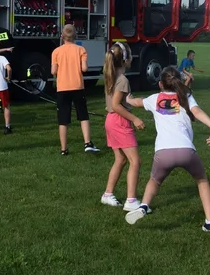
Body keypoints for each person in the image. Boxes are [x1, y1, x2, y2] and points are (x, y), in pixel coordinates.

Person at [124, 66, 210, 231]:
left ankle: (144, 206)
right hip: (186, 151)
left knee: (154, 180)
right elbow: (197, 112)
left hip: (163, 152)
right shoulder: (186, 96)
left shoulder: (155, 98)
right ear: (180, 82)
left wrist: (128, 98)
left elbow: (137, 102)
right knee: (202, 180)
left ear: (160, 84)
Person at [100, 42, 145, 211]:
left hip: (111, 121)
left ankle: (108, 194)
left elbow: (124, 100)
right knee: (136, 161)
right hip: (119, 122)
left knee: (120, 159)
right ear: (125, 59)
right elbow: (117, 105)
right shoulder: (123, 79)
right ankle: (131, 200)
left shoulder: (112, 75)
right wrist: (135, 119)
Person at [51, 24, 99, 154]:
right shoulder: (80, 49)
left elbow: (53, 71)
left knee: (63, 119)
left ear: (62, 36)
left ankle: (64, 148)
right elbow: (84, 69)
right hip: (77, 86)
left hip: (62, 87)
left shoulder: (56, 51)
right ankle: (87, 142)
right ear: (75, 36)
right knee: (83, 115)